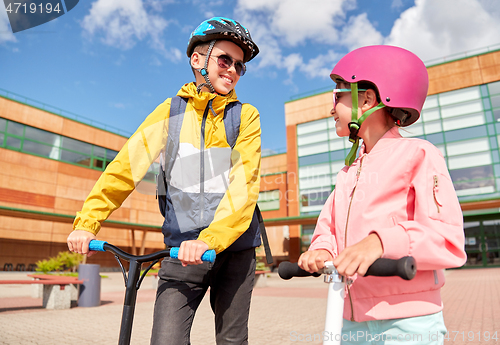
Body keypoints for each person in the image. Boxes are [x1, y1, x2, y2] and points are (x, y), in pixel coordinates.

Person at [67, 17, 262, 345]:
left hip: (233, 250)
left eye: (240, 66)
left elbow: (243, 187)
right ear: (197, 60)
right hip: (180, 248)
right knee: (165, 340)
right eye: (224, 60)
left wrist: (209, 240)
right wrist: (87, 223)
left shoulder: (245, 116)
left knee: (231, 341)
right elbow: (124, 168)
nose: (232, 70)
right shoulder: (170, 112)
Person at [298, 45, 466, 344]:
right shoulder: (349, 171)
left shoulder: (419, 154)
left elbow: (447, 240)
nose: (331, 108)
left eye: (338, 96)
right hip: (348, 320)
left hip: (407, 324)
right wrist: (323, 250)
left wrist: (379, 242)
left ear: (366, 99)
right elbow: (328, 229)